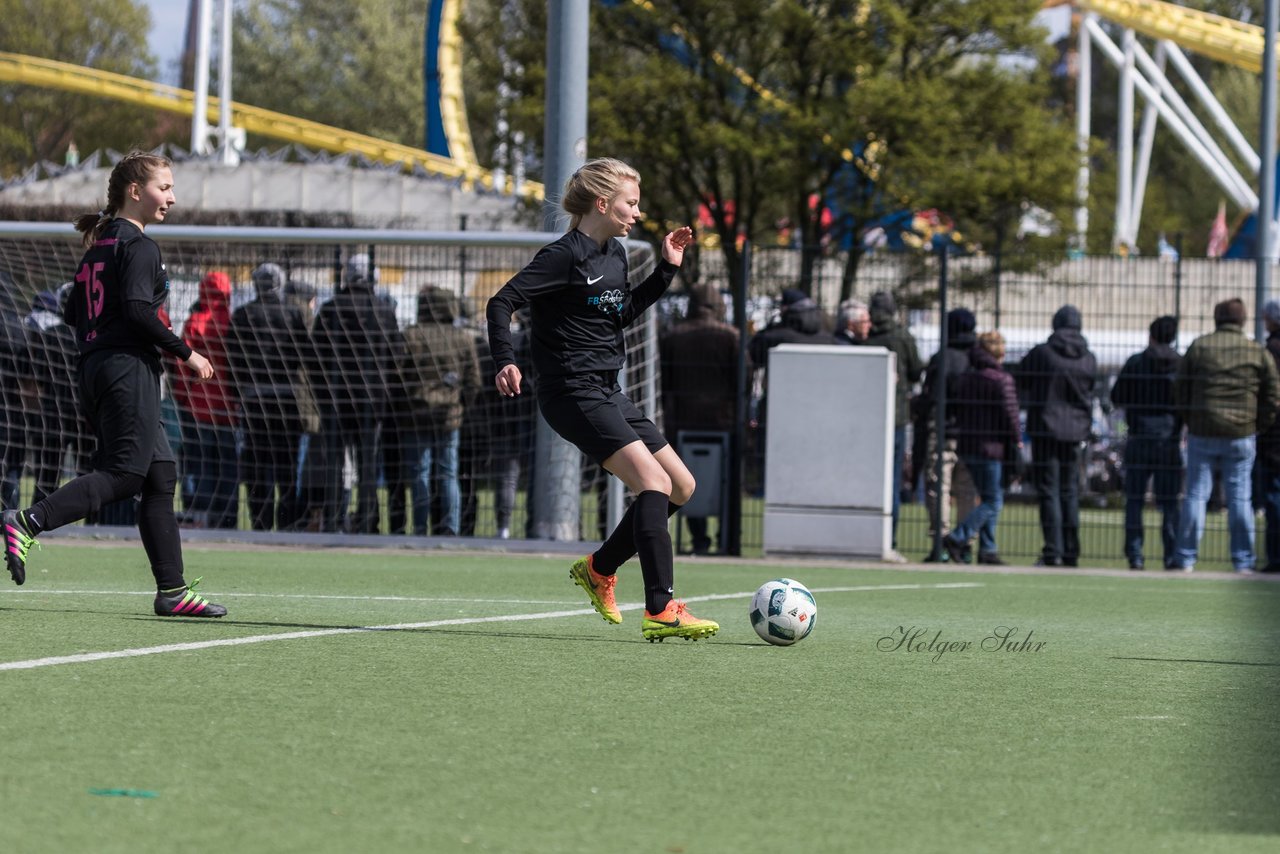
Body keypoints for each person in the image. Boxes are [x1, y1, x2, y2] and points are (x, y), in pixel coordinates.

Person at [486, 156, 717, 642]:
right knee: (652, 482)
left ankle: (600, 568)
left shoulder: (616, 254)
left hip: (606, 389)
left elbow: (619, 314)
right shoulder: (562, 255)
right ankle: (661, 606)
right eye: (631, 203)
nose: (637, 212)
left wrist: (666, 271)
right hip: (570, 391)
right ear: (602, 202)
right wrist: (504, 358)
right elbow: (501, 301)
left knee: (681, 486)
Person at [2, 150, 226, 617]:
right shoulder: (139, 247)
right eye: (165, 188)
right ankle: (28, 520)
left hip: (98, 367)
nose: (173, 197)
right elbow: (140, 311)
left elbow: (70, 312)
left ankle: (172, 591)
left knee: (161, 474)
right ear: (135, 191)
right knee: (126, 474)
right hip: (126, 369)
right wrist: (187, 354)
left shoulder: (97, 248)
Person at [1173, 298, 1279, 572]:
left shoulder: (1200, 347)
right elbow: (1272, 394)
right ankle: (1243, 560)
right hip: (1242, 432)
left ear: (1216, 318)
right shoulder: (1255, 350)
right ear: (1243, 320)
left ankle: (1185, 558)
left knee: (1196, 494)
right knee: (1240, 498)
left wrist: (1192, 418)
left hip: (1203, 430)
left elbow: (1180, 387)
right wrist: (1258, 423)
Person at [312, 253, 404, 533]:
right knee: (367, 465)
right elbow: (396, 355)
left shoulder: (330, 310)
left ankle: (334, 519)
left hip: (336, 398)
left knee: (335, 465)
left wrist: (322, 391)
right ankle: (367, 521)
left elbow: (314, 356)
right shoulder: (383, 310)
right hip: (372, 398)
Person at [226, 262, 311, 530]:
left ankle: (260, 522)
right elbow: (305, 354)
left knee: (257, 464)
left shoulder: (243, 314)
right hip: (287, 399)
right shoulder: (293, 313)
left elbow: (233, 360)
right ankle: (286, 522)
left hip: (254, 399)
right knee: (286, 464)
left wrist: (239, 390)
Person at [659, 281, 739, 554]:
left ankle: (699, 538)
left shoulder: (673, 336)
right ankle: (728, 537)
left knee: (686, 481)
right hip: (723, 420)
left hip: (682, 419)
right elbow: (744, 379)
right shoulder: (731, 336)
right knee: (726, 480)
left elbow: (664, 381)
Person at [1017, 304, 1098, 567]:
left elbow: (1021, 379)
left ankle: (1053, 550)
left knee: (1048, 491)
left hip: (1045, 428)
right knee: (1070, 491)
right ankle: (1072, 551)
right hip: (1076, 432)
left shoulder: (1043, 353)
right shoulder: (1089, 358)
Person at [401, 285, 482, 536]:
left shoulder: (411, 335)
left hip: (418, 412)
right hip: (450, 414)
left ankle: (418, 526)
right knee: (448, 472)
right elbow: (474, 380)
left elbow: (399, 374)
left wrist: (409, 400)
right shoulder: (463, 338)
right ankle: (450, 528)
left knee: (420, 473)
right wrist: (461, 404)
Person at [1110, 315, 1182, 570]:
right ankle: (1172, 555)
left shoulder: (1136, 362)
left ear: (1151, 335)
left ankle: (1135, 554)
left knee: (1134, 500)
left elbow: (1116, 396)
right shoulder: (1180, 365)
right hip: (1169, 439)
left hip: (1139, 436)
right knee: (1170, 502)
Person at [943, 331, 1021, 565]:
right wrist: (1017, 439)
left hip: (968, 444)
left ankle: (988, 549)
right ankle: (958, 538)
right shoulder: (1001, 379)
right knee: (993, 500)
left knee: (986, 496)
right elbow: (1011, 414)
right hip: (992, 446)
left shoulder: (967, 377)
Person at [171, 270, 239, 529]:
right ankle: (227, 516)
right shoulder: (231, 323)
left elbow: (181, 363)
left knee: (197, 463)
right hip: (227, 407)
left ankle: (198, 514)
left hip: (198, 404)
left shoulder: (194, 323)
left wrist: (182, 395)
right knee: (227, 465)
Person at [862, 290, 925, 561]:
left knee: (867, 480)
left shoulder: (865, 338)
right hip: (896, 416)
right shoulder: (902, 336)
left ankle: (864, 537)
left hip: (866, 417)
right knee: (893, 480)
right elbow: (915, 371)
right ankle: (890, 539)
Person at [916, 307, 979, 562]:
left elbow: (929, 396)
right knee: (967, 490)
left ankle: (940, 543)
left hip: (942, 429)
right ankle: (964, 543)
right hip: (973, 431)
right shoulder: (977, 358)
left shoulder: (941, 358)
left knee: (938, 487)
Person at [1261, 301, 1280, 573]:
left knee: (1274, 496)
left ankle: (1276, 557)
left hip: (1275, 434)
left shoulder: (1271, 350)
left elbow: (1268, 393)